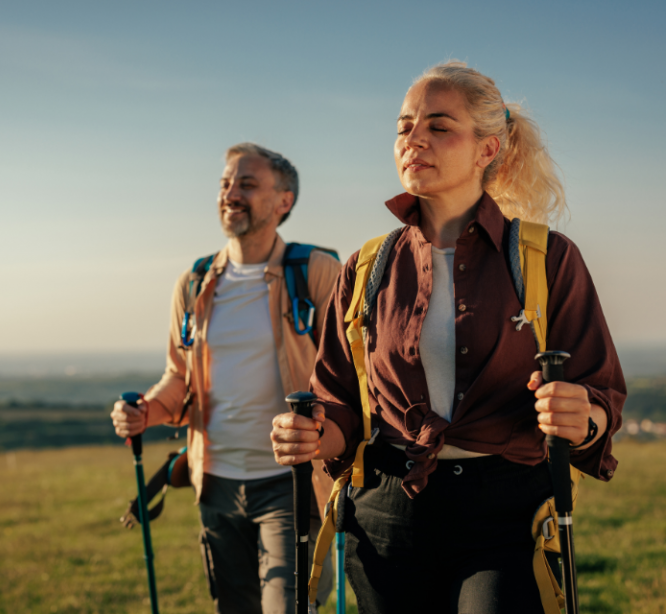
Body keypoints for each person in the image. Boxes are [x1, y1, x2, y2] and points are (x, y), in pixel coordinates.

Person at [271, 62, 626, 614]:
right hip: (386, 517)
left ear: (488, 149)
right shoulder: (366, 266)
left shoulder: (548, 258)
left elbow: (599, 390)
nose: (414, 139)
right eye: (404, 125)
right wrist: (314, 435)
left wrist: (585, 418)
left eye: (439, 126)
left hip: (507, 515)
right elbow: (339, 399)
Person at [111, 143, 340, 613]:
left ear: (284, 201)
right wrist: (147, 411)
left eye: (247, 184)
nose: (231, 194)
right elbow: (180, 375)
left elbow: (348, 374)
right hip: (214, 482)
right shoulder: (195, 282)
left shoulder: (316, 272)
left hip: (291, 481)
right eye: (225, 184)